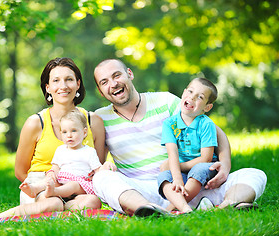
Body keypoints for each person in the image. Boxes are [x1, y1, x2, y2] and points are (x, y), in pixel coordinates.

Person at [92, 58, 267, 216]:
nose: (113, 84)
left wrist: (225, 167)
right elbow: (95, 163)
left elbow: (216, 132)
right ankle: (150, 209)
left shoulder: (165, 102)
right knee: (101, 179)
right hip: (141, 191)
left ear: (129, 74)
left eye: (117, 75)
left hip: (187, 184)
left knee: (254, 174)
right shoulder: (100, 118)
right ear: (100, 91)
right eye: (104, 82)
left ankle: (228, 204)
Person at [0, 57, 106, 224]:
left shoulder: (93, 121)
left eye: (69, 79)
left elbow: (96, 165)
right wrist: (44, 186)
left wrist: (71, 189)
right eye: (56, 80)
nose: (63, 86)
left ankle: (57, 211)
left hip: (79, 187)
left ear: (78, 84)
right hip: (42, 184)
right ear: (48, 87)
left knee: (93, 203)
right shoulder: (35, 123)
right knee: (53, 203)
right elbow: (20, 171)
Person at [157, 77, 219, 213]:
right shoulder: (169, 124)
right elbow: (172, 154)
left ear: (207, 107)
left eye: (200, 97)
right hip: (183, 171)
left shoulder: (206, 124)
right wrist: (177, 177)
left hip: (205, 168)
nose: (192, 97)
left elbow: (206, 158)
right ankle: (185, 208)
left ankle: (170, 209)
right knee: (163, 177)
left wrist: (178, 168)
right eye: (190, 92)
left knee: (199, 169)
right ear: (183, 93)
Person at [21, 109, 102, 199]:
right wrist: (51, 174)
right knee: (50, 181)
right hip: (63, 180)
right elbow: (55, 167)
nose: (69, 135)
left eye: (74, 131)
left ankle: (55, 192)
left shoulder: (89, 151)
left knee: (73, 185)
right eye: (64, 132)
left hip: (80, 184)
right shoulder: (61, 150)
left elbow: (97, 169)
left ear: (84, 132)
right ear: (61, 134)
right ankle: (35, 189)